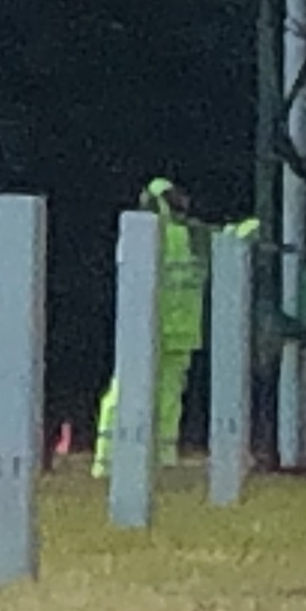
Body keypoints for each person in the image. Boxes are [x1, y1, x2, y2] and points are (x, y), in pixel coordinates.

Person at [94, 178, 211, 475]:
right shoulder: (185, 236)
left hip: (154, 328)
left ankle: (115, 458)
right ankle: (156, 455)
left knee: (132, 392)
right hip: (175, 330)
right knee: (165, 396)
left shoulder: (148, 236)